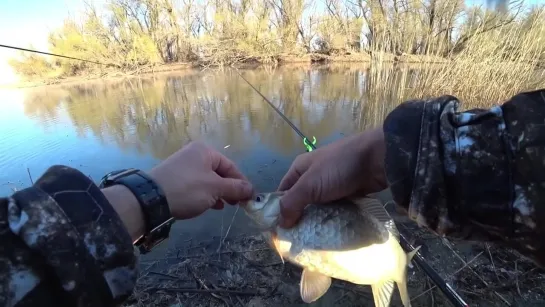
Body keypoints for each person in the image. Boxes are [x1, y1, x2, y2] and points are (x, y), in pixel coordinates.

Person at [1, 89, 544, 306]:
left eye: (262, 198)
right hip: (367, 242)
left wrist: (145, 197)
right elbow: (313, 285)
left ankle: (392, 272)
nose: (255, 200)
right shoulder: (286, 224)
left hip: (377, 250)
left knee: (387, 267)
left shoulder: (289, 219)